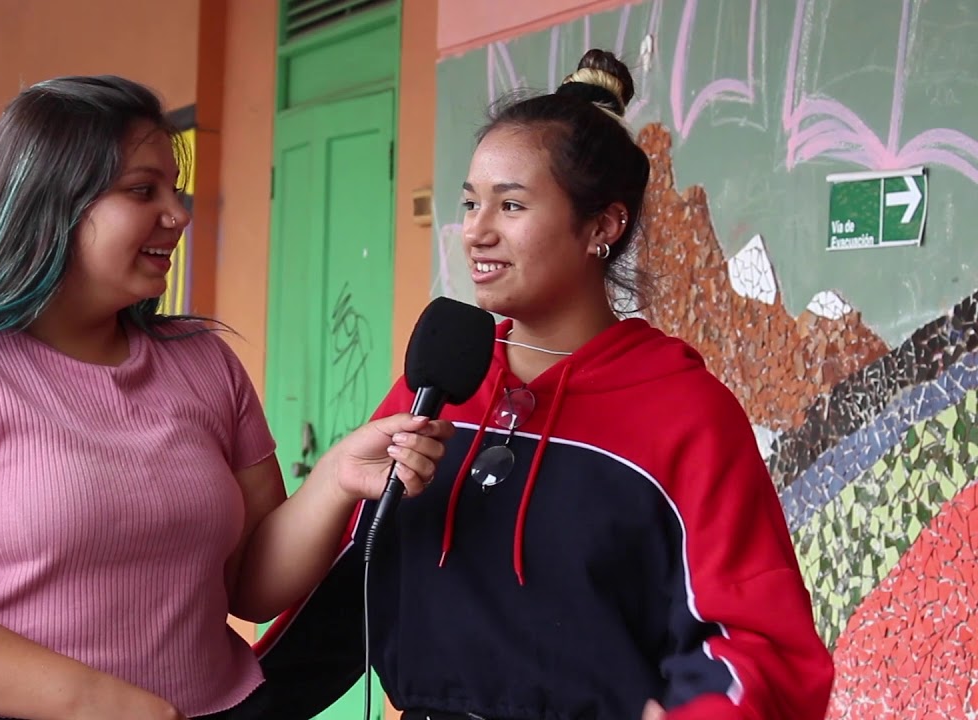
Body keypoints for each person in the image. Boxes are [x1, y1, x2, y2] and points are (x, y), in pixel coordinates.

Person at [0, 75, 454, 720]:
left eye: (174, 189)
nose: (178, 213)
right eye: (142, 190)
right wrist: (105, 705)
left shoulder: (203, 361)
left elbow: (249, 587)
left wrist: (336, 479)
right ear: (50, 202)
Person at [253, 50, 835, 720]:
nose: (476, 230)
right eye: (471, 202)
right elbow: (342, 590)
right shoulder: (440, 389)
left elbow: (757, 644)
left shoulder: (686, 415)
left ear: (602, 226)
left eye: (512, 204)